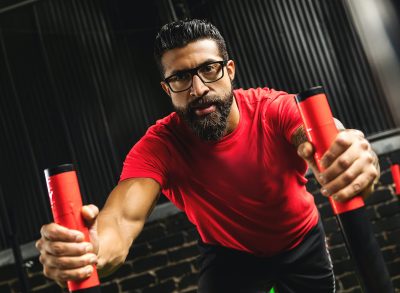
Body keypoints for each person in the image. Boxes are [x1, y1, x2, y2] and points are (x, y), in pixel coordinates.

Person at [36, 19, 380, 292]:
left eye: (209, 70)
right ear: (166, 89)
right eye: (180, 79)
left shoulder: (271, 109)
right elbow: (122, 220)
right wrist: (87, 251)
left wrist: (349, 152)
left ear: (229, 70)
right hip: (230, 259)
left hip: (301, 242)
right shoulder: (159, 146)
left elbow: (319, 134)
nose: (198, 89)